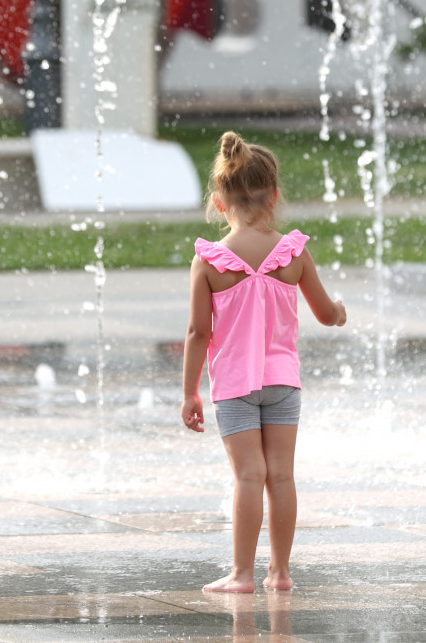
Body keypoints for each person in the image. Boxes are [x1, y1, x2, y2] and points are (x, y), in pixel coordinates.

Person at [181, 131, 347, 593]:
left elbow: (198, 333)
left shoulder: (210, 262)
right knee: (282, 476)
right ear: (274, 197)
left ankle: (241, 575)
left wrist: (190, 391)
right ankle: (281, 572)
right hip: (282, 382)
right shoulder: (291, 252)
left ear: (218, 201)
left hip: (234, 385)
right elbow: (325, 311)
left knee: (249, 477)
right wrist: (339, 312)